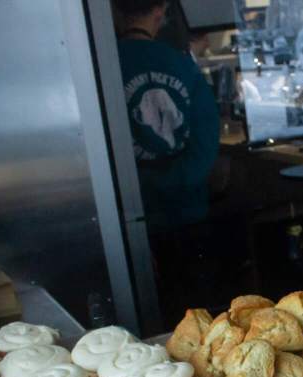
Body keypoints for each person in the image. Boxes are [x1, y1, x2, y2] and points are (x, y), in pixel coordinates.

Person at [113, 0, 221, 324]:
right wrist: (177, 181)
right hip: (187, 212)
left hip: (134, 221)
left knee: (149, 322)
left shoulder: (104, 66)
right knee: (200, 318)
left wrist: (141, 189)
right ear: (160, 12)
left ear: (115, 12)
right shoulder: (181, 64)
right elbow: (206, 142)